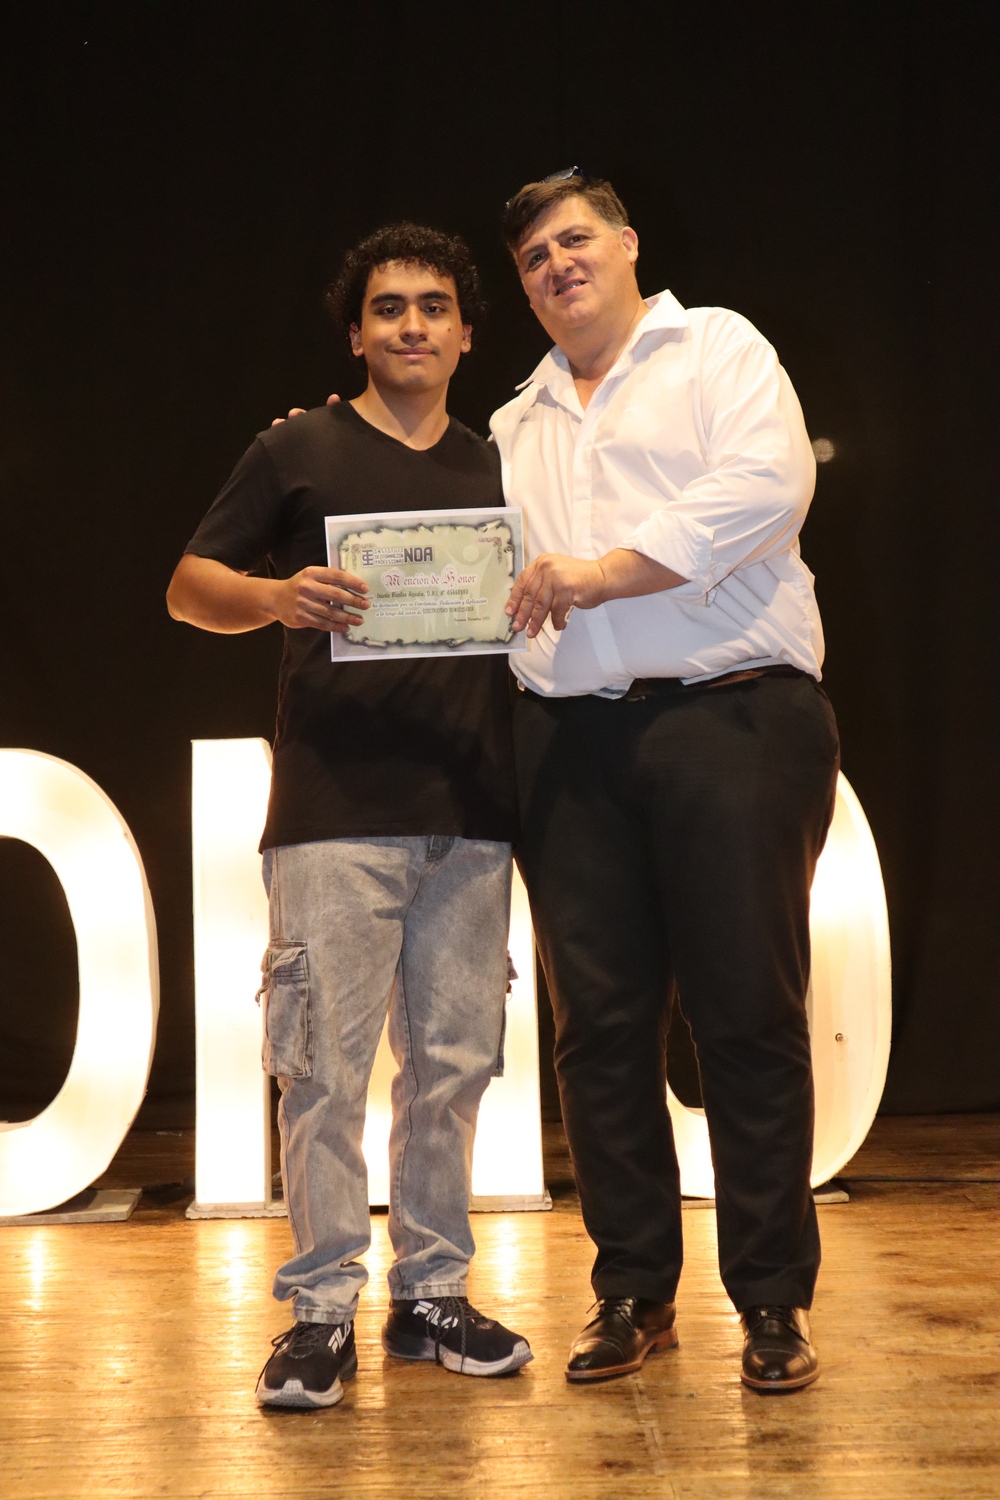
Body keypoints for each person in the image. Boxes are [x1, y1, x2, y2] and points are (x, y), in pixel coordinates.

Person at [166, 222, 532, 1410]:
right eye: (388, 307)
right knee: (323, 1069)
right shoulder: (297, 447)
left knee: (454, 1069)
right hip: (331, 812)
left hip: (472, 812)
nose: (411, 324)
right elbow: (188, 589)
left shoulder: (505, 468)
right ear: (356, 334)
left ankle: (432, 1296)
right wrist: (277, 596)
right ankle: (320, 1312)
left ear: (466, 333)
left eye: (433, 306)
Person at [495, 171, 839, 1393]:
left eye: (575, 238)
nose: (557, 265)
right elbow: (470, 565)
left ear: (628, 243)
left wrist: (601, 573)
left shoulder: (719, 350)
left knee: (745, 1016)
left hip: (732, 716)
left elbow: (764, 490)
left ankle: (772, 1300)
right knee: (595, 1032)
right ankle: (633, 1290)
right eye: (533, 257)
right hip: (569, 740)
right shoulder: (515, 420)